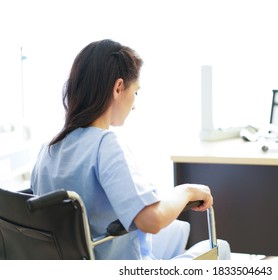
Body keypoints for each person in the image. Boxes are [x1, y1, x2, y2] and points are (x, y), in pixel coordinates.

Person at [30, 39, 230, 260]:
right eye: (136, 92)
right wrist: (187, 191)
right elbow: (151, 221)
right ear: (118, 88)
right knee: (221, 248)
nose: (134, 104)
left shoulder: (48, 149)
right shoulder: (104, 145)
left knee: (178, 230)